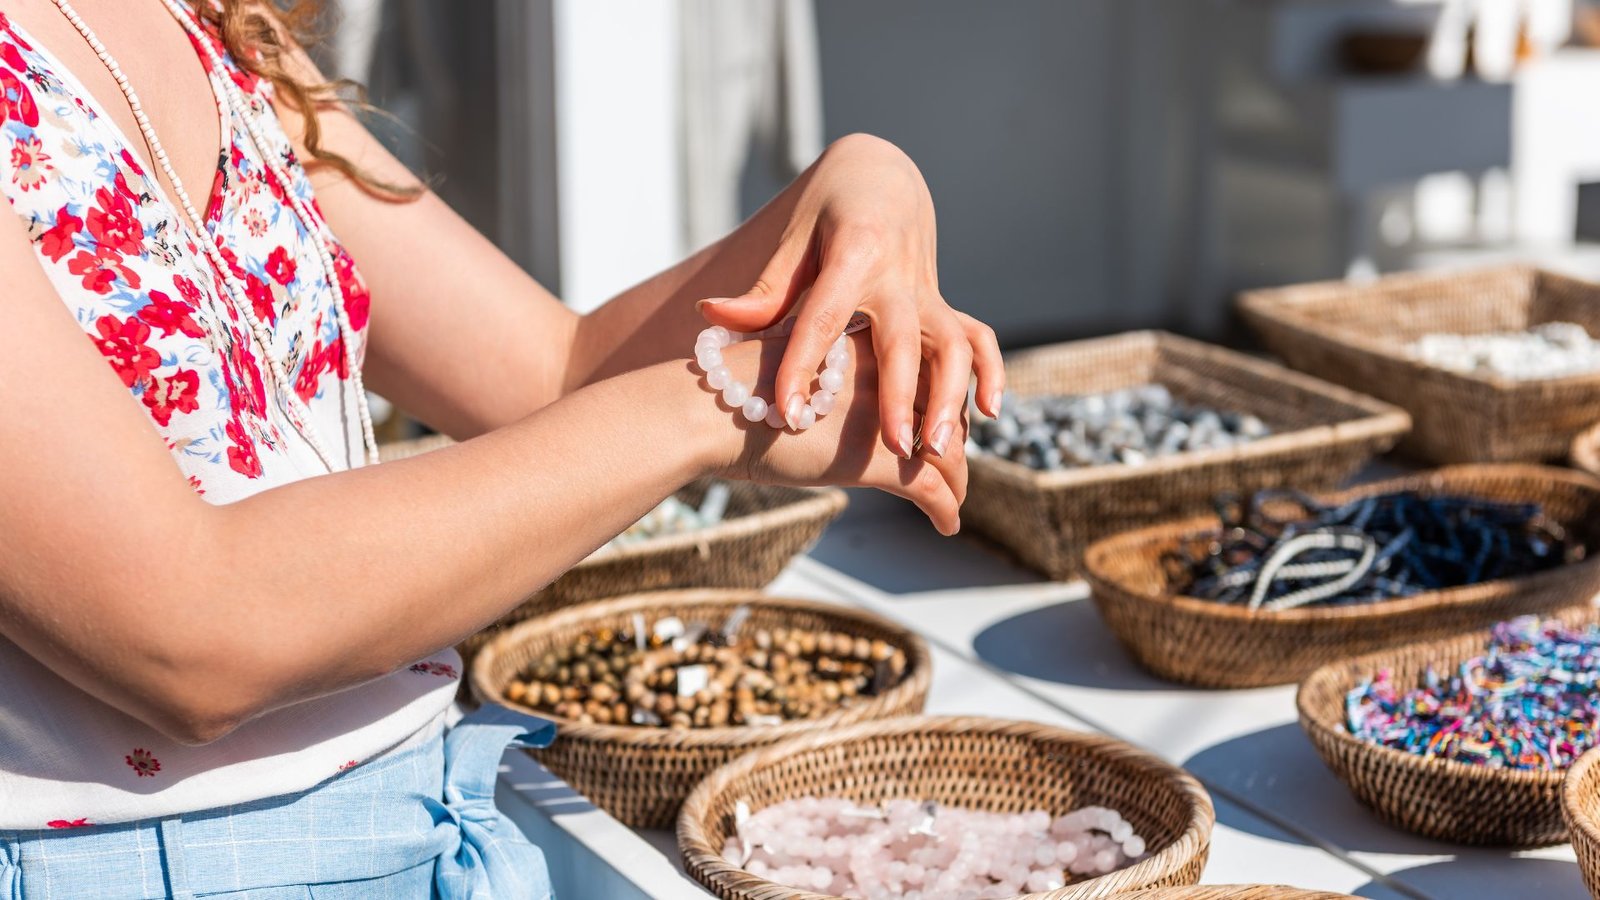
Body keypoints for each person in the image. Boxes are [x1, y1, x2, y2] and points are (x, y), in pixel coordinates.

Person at [0, 0, 1002, 895]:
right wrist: (703, 404)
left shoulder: (214, 22)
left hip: (426, 824)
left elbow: (551, 372)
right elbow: (189, 632)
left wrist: (857, 184)